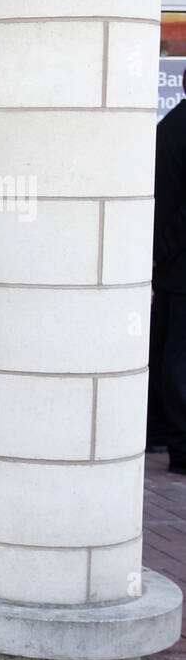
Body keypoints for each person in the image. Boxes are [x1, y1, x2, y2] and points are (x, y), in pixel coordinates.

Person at [149, 100, 186, 474]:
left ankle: (160, 432)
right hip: (176, 261)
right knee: (176, 359)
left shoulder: (170, 125)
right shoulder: (175, 127)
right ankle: (179, 443)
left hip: (171, 263)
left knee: (166, 352)